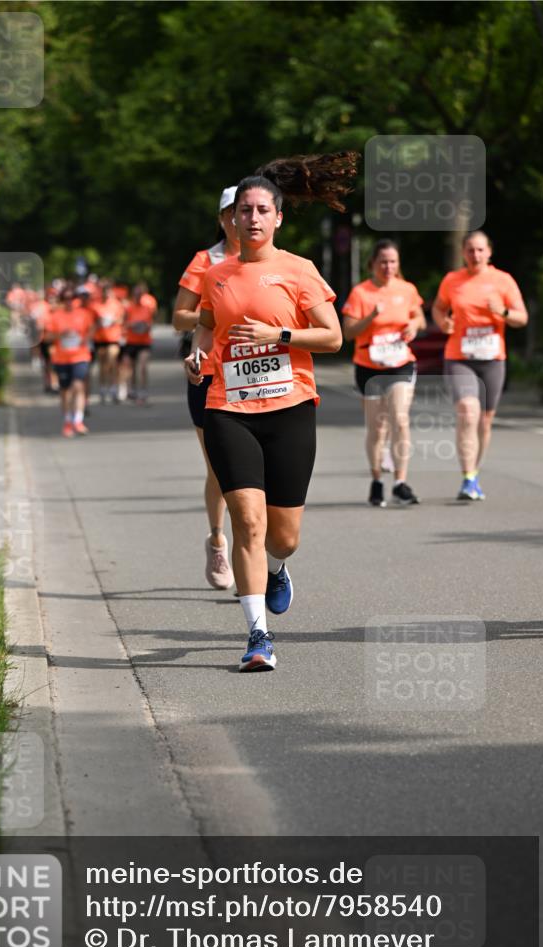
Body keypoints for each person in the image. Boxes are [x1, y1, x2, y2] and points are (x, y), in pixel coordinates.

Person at [186, 153, 357, 671]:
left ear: (278, 217)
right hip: (228, 407)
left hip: (289, 408)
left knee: (283, 537)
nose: (253, 218)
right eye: (244, 210)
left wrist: (278, 335)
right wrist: (198, 357)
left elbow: (332, 337)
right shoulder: (216, 274)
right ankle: (258, 636)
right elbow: (205, 327)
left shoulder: (299, 271)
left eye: (262, 210)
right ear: (233, 218)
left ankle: (278, 568)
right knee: (248, 524)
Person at [173, 186, 240, 590]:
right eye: (232, 213)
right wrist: (215, 313)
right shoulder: (207, 260)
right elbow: (180, 317)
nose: (241, 220)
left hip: (257, 376)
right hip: (211, 372)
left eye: (249, 211)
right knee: (220, 467)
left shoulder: (274, 262)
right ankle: (218, 540)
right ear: (221, 219)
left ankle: (249, 555)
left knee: (255, 470)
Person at [432, 231, 528, 500]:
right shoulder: (452, 280)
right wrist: (443, 322)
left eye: (480, 250)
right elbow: (439, 308)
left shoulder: (503, 280)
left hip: (492, 358)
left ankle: (474, 473)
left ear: (489, 252)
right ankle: (467, 477)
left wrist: (503, 312)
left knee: (485, 421)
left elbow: (522, 318)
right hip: (459, 356)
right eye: (470, 250)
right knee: (467, 410)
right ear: (463, 253)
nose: (475, 255)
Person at [342, 239, 425, 507]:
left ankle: (400, 482)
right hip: (369, 366)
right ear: (373, 264)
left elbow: (420, 318)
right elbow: (348, 332)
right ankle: (377, 480)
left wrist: (413, 324)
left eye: (393, 262)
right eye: (383, 262)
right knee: (377, 429)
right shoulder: (361, 293)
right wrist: (370, 318)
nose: (388, 267)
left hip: (401, 362)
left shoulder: (407, 289)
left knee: (400, 419)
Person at [44, 287, 95, 437]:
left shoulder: (84, 314)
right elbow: (46, 337)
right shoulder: (55, 316)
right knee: (65, 390)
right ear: (62, 300)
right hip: (61, 358)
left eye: (72, 298)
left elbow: (92, 329)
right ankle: (67, 421)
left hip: (80, 356)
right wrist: (60, 335)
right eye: (66, 298)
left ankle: (78, 420)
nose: (69, 301)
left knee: (78, 385)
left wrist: (85, 339)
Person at [119, 283, 157, 404]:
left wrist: (145, 326)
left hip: (144, 341)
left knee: (142, 366)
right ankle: (132, 389)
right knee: (131, 368)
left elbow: (151, 323)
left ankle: (143, 391)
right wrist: (132, 325)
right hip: (131, 341)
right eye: (136, 294)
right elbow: (123, 323)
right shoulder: (128, 308)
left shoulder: (147, 308)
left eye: (140, 294)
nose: (138, 296)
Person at [93, 282, 125, 403]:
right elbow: (93, 321)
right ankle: (102, 388)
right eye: (104, 292)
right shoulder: (96, 305)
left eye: (108, 291)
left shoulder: (116, 305)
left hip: (113, 338)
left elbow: (121, 319)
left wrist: (113, 320)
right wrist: (99, 322)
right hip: (100, 339)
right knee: (102, 365)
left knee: (112, 362)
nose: (106, 294)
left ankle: (113, 388)